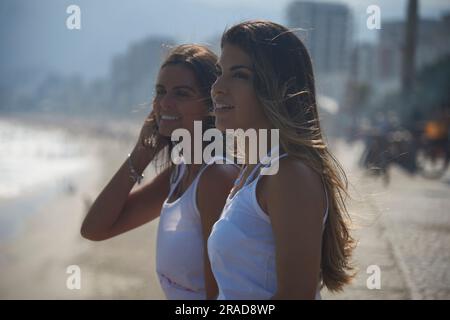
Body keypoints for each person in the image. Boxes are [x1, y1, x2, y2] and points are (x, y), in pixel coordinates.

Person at [208, 20, 356, 300]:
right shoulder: (253, 170)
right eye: (220, 73)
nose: (217, 87)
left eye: (239, 75)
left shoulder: (289, 175)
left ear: (275, 88)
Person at [81, 44, 239, 300]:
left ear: (211, 104)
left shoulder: (216, 177)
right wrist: (142, 153)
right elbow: (94, 229)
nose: (164, 103)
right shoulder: (180, 174)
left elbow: (219, 295)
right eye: (160, 92)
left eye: (182, 93)